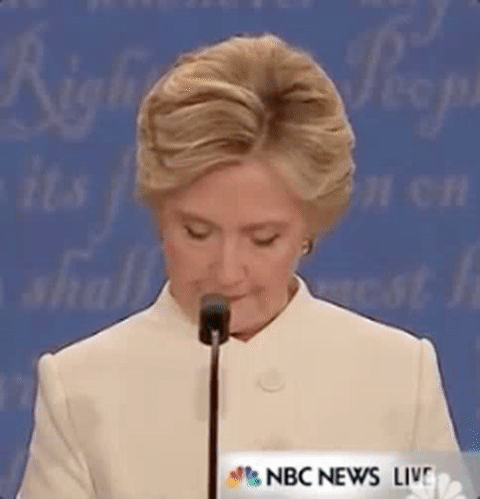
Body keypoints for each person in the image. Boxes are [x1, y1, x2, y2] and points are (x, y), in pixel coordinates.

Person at [16, 32, 460, 499]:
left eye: (263, 239)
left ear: (310, 228)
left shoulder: (400, 374)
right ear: (160, 213)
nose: (227, 272)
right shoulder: (79, 386)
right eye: (197, 232)